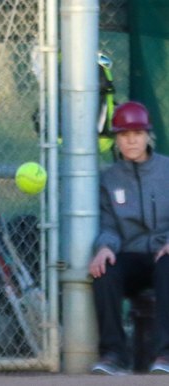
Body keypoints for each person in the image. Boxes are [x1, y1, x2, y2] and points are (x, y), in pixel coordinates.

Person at [89, 101, 169, 375]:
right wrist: (104, 248)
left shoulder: (166, 170)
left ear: (148, 136)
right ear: (116, 140)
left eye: (137, 133)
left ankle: (165, 355)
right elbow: (108, 225)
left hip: (164, 254)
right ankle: (114, 355)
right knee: (104, 270)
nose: (131, 140)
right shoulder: (109, 178)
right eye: (124, 135)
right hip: (131, 255)